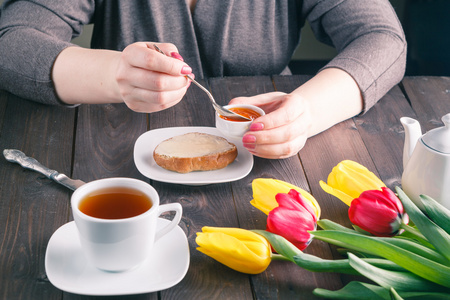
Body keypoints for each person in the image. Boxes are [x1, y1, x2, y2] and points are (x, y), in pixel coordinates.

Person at [0, 0, 406, 159]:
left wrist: (308, 111)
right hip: (118, 154)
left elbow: (382, 38)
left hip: (275, 162)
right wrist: (113, 75)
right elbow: (12, 40)